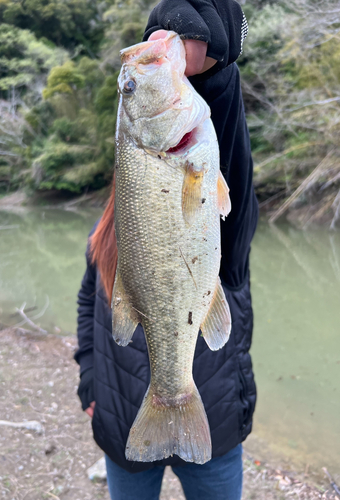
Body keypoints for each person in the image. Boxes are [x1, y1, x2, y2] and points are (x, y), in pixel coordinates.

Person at [75, 0, 259, 498]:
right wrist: (89, 377)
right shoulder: (112, 224)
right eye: (129, 89)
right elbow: (88, 300)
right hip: (120, 422)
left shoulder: (203, 170)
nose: (131, 85)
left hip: (214, 421)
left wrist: (219, 77)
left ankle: (175, 395)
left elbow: (232, 187)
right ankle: (165, 398)